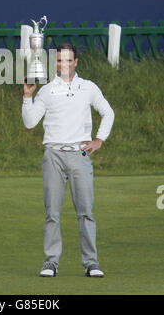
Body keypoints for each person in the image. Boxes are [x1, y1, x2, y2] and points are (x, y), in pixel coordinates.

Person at [22, 43, 115, 278]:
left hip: (79, 155)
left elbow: (108, 112)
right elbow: (30, 122)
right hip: (53, 154)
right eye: (59, 61)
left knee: (85, 211)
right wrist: (27, 96)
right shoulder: (46, 90)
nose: (63, 65)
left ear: (76, 62)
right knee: (52, 212)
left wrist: (99, 140)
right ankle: (51, 263)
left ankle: (91, 263)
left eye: (68, 61)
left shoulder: (88, 88)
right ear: (55, 63)